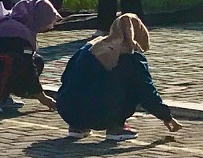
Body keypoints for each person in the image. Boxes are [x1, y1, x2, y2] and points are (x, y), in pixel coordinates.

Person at [53, 13, 180, 142]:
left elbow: (66, 77)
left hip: (67, 111)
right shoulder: (132, 58)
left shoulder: (88, 48)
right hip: (102, 115)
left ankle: (77, 127)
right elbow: (147, 92)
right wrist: (166, 117)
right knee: (135, 86)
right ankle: (116, 127)